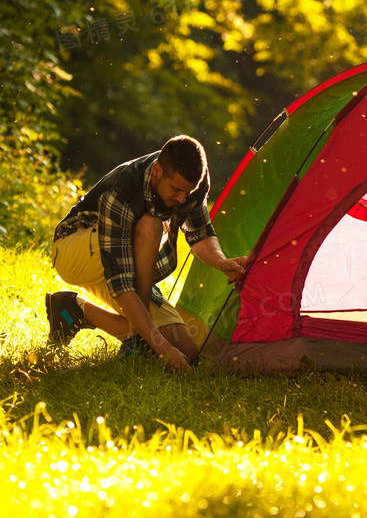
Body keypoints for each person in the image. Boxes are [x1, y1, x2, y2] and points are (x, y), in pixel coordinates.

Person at [45, 135, 247, 372]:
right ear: (158, 171)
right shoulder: (123, 190)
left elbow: (199, 234)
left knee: (186, 352)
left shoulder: (191, 185)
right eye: (176, 190)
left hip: (124, 265)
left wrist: (221, 262)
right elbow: (120, 282)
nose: (182, 199)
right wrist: (160, 346)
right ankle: (139, 342)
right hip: (75, 252)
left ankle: (73, 309)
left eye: (188, 192)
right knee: (150, 225)